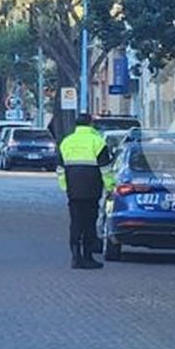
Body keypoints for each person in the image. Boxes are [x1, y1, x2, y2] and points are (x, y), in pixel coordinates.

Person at [56, 112, 114, 270]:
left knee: (75, 223)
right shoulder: (98, 141)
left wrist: (65, 186)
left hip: (73, 191)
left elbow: (60, 169)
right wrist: (110, 187)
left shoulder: (66, 142)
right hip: (92, 190)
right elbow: (106, 169)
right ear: (90, 124)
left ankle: (75, 257)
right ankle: (87, 257)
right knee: (89, 223)